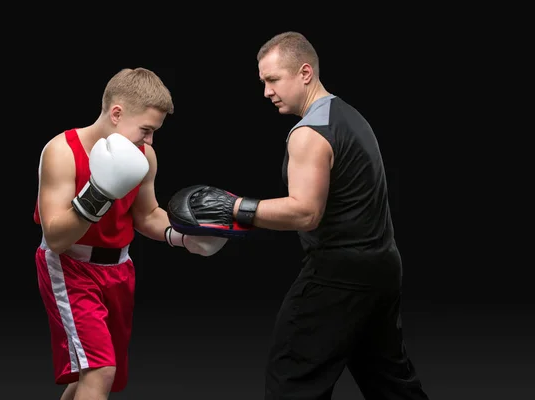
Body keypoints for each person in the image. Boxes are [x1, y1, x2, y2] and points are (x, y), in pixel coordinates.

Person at [166, 32, 430, 400]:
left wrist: (235, 207)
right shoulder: (349, 116)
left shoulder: (309, 133)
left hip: (337, 277)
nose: (266, 92)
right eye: (263, 82)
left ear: (305, 72)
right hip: (382, 270)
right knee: (390, 383)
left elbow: (306, 211)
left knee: (292, 380)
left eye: (273, 80)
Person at [33, 67, 228, 400]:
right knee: (99, 369)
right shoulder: (61, 151)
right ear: (116, 113)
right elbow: (55, 238)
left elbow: (148, 214)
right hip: (70, 268)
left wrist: (184, 236)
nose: (149, 140)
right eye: (146, 130)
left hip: (120, 271)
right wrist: (99, 191)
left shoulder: (144, 156)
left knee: (92, 375)